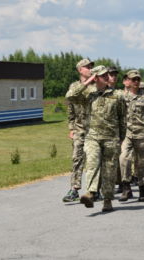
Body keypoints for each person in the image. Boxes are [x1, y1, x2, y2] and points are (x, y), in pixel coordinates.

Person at [65, 65, 126, 212]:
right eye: (103, 75)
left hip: (111, 138)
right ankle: (91, 192)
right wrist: (87, 82)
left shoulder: (117, 95)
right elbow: (70, 96)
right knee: (92, 163)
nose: (107, 77)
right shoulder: (88, 94)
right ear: (96, 78)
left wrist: (121, 138)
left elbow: (122, 118)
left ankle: (107, 200)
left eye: (107, 75)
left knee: (109, 170)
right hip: (92, 137)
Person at [62, 58, 96, 202]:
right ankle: (74, 189)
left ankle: (93, 189)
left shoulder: (96, 86)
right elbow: (70, 108)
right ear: (80, 70)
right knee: (77, 158)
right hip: (80, 129)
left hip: (94, 130)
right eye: (87, 67)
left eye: (91, 67)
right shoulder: (75, 86)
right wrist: (71, 127)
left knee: (93, 161)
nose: (90, 69)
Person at [119, 70, 144, 202]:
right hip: (127, 134)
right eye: (133, 79)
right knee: (123, 158)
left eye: (138, 79)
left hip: (141, 134)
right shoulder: (123, 96)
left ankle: (142, 189)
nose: (136, 82)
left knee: (142, 162)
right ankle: (126, 187)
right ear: (128, 80)